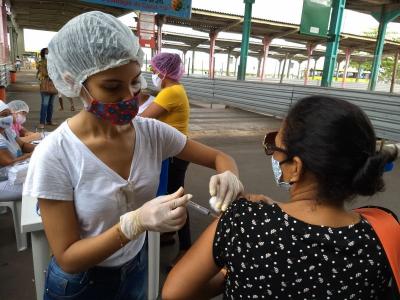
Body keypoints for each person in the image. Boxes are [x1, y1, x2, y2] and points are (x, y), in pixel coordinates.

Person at [23, 11, 243, 300]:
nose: (129, 97)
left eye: (136, 82)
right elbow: (67, 257)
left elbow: (218, 157)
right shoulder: (57, 154)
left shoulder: (151, 133)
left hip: (135, 267)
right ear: (74, 82)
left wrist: (229, 175)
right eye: (112, 87)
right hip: (80, 286)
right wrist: (134, 224)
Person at [163, 96, 397, 299]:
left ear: (295, 167)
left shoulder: (243, 220)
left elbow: (174, 292)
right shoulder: (383, 235)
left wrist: (231, 270)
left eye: (274, 148)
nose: (273, 155)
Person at [141, 52, 193, 260]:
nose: (153, 74)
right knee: (170, 195)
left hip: (175, 153)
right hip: (175, 151)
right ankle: (170, 233)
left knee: (176, 198)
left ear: (164, 72)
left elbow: (142, 119)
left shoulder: (169, 93)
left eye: (154, 71)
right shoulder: (176, 89)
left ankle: (186, 248)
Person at [0, 100, 35, 167]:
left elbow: (22, 145)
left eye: (9, 114)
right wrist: (33, 154)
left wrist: (40, 148)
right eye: (4, 115)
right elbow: (9, 163)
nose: (9, 117)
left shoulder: (7, 129)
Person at [37, 47, 57, 129]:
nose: (48, 54)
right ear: (43, 54)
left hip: (53, 85)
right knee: (45, 104)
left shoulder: (54, 62)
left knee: (51, 105)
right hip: (45, 84)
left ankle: (49, 120)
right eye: (46, 53)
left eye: (49, 53)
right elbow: (44, 73)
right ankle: (42, 122)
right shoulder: (41, 62)